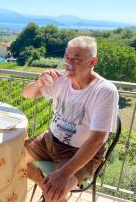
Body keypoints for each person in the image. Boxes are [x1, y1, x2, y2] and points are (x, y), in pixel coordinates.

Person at [23, 36, 119, 202]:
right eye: (67, 57)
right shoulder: (61, 80)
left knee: (54, 195)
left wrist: (64, 174)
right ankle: (44, 185)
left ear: (92, 61)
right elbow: (26, 94)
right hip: (49, 140)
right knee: (10, 158)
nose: (69, 63)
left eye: (77, 59)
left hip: (80, 152)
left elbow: (96, 140)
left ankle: (50, 193)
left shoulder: (105, 91)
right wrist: (39, 82)